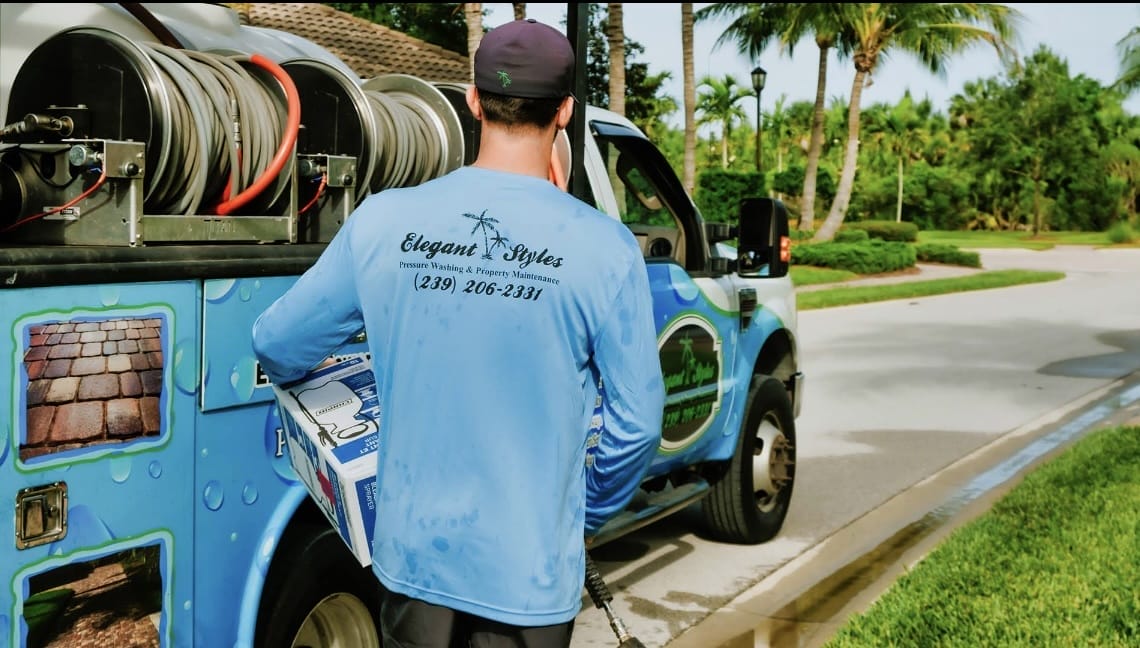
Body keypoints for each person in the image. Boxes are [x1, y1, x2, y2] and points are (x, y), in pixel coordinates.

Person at [251, 17, 665, 648]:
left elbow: (277, 344)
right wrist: (581, 510)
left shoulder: (383, 221)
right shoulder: (606, 248)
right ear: (565, 111)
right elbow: (636, 425)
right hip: (531, 578)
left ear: (472, 100)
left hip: (414, 565)